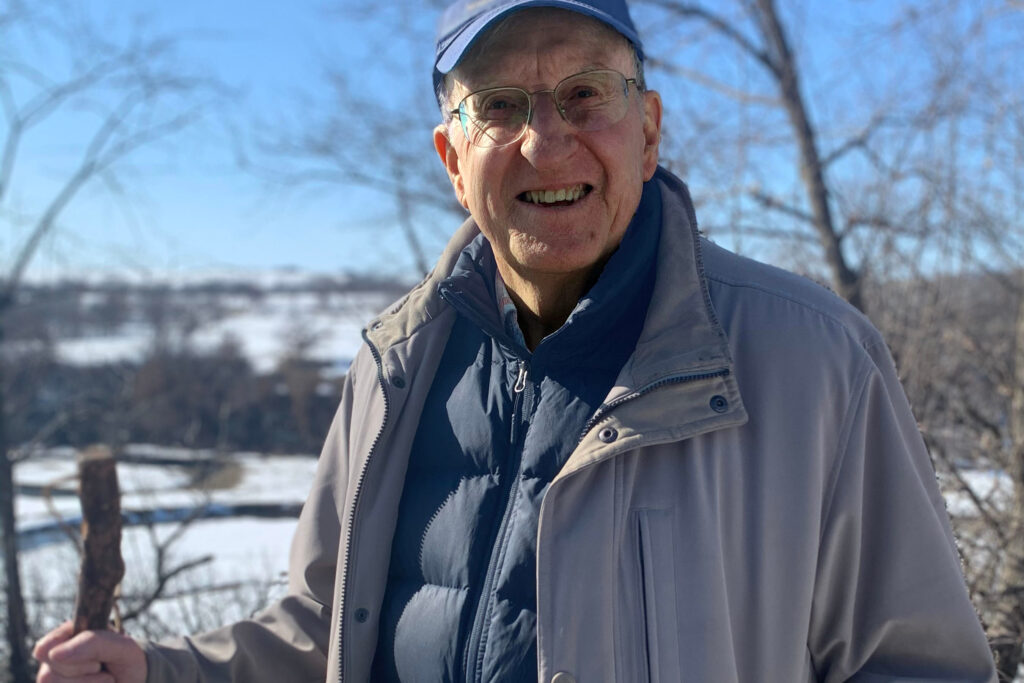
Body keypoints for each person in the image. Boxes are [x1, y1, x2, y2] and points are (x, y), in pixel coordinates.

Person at [35, 0, 998, 681]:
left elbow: (917, 666)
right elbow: (324, 632)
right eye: (499, 104)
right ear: (454, 159)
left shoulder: (813, 362)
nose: (546, 140)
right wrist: (158, 673)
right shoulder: (396, 364)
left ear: (649, 129)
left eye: (586, 93)